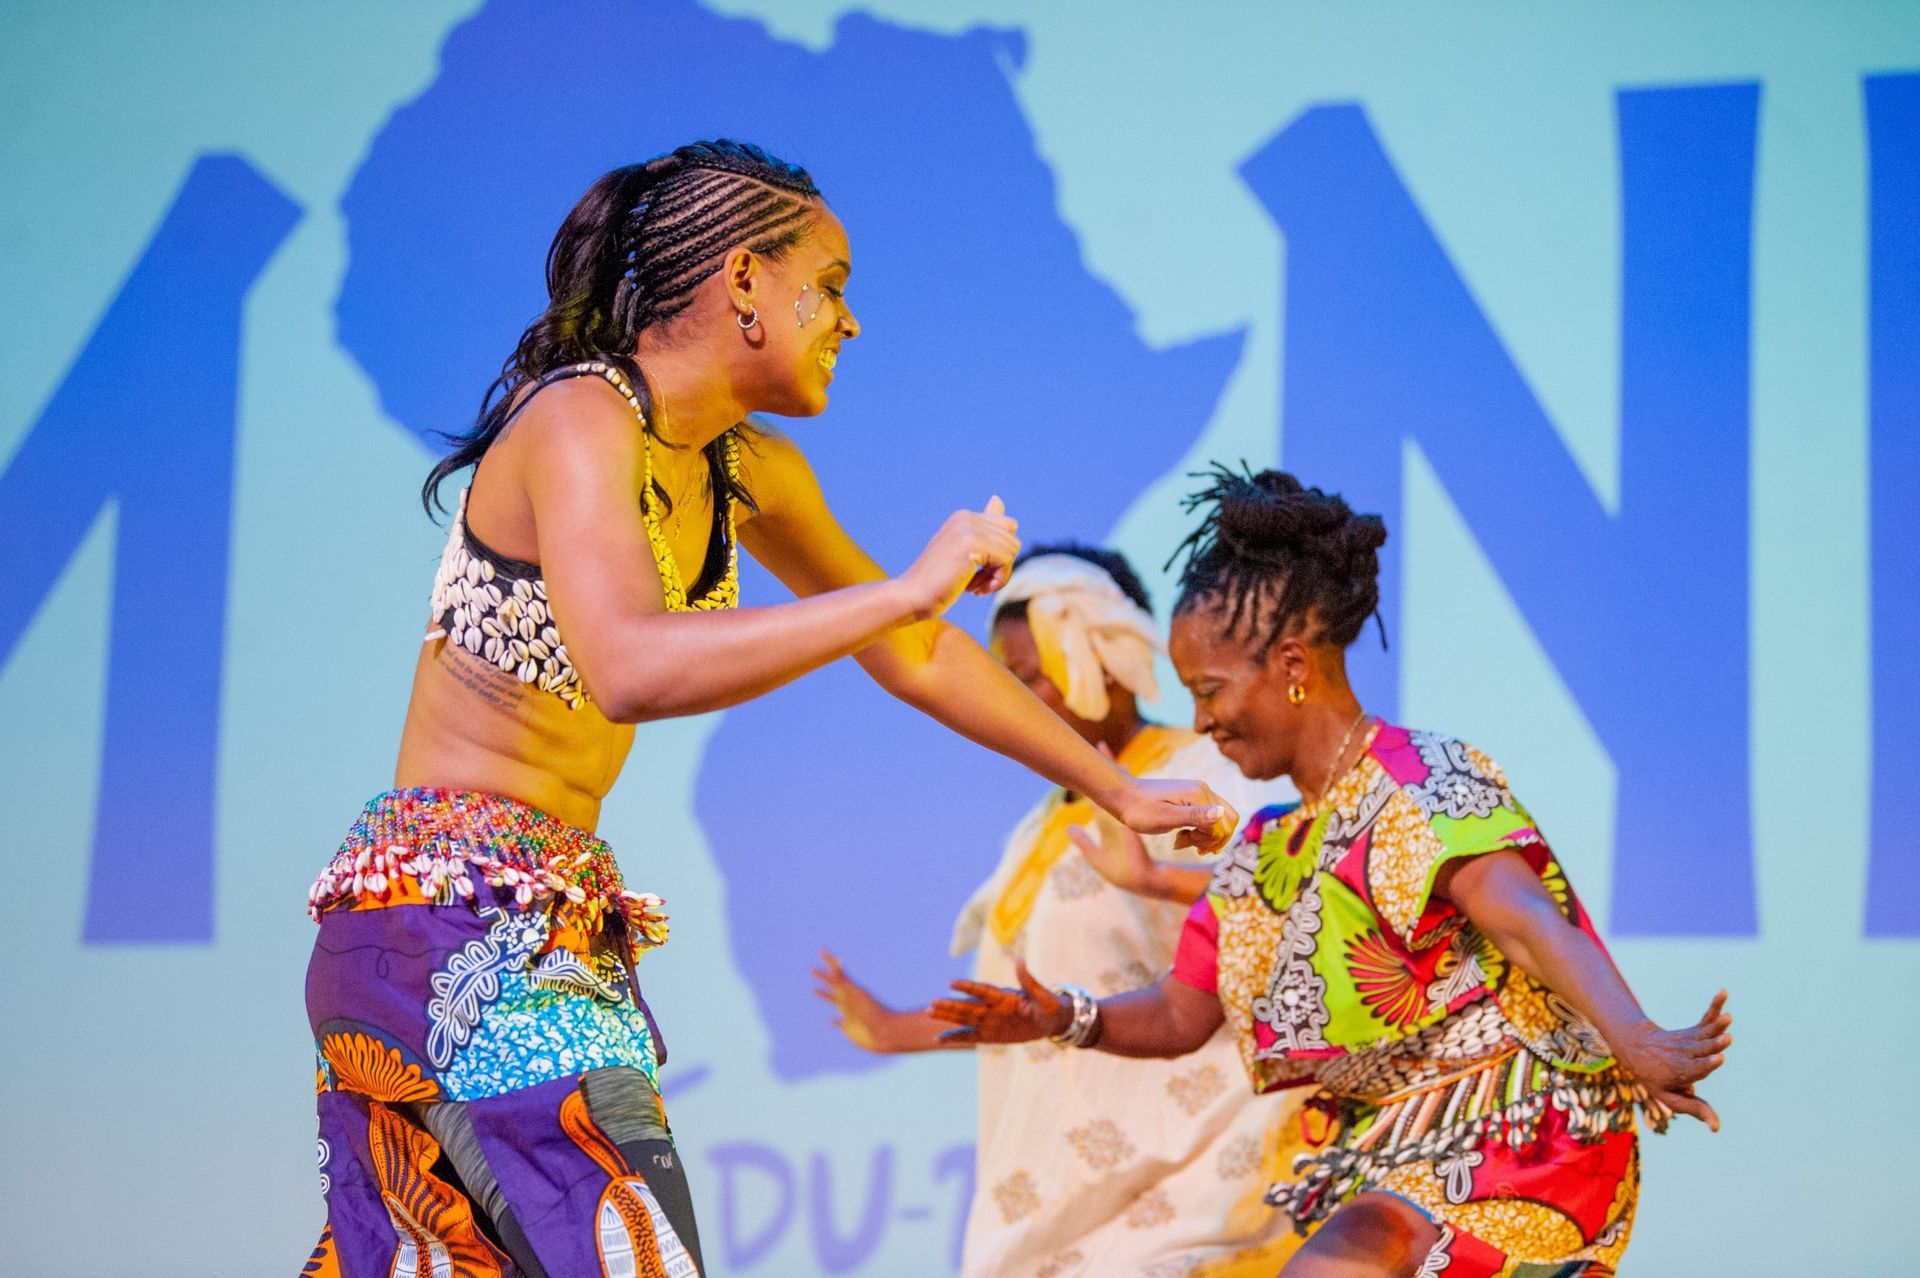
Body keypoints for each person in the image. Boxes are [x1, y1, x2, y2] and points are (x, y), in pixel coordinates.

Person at [300, 141, 1234, 1278]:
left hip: (536, 917)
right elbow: (631, 667)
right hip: (445, 922)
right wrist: (901, 587)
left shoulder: (749, 471)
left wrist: (1118, 786)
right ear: (745, 280)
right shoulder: (578, 420)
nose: (851, 322)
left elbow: (916, 651)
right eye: (830, 285)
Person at [930, 468, 1732, 1278]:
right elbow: (1181, 1014)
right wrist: (1065, 1017)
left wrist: (1638, 1039)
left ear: (1290, 664)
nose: (1201, 720)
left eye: (1210, 691)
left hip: (1516, 1127)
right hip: (1388, 1152)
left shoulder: (1418, 783)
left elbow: (1524, 918)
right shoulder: (1265, 850)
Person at [816, 544, 1310, 1278]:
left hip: (1192, 1177)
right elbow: (1034, 1000)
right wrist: (895, 1028)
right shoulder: (1039, 827)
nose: (1019, 700)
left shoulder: (1204, 776)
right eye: (1008, 683)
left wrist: (1160, 882)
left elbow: (1303, 908)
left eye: (1032, 676)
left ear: (1106, 656)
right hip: (1060, 1190)